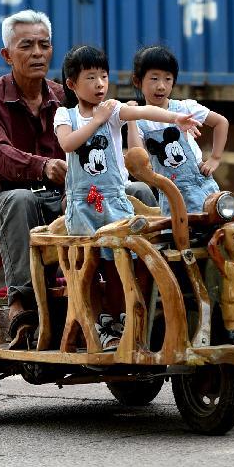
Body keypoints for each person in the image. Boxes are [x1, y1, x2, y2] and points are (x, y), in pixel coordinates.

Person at [54, 45, 201, 350]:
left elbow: (144, 110)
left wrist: (175, 118)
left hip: (114, 202)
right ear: (71, 84)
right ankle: (98, 322)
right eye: (91, 77)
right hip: (83, 205)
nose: (99, 84)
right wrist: (97, 120)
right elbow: (68, 144)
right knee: (87, 267)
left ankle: (121, 319)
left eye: (103, 76)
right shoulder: (65, 114)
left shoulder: (114, 109)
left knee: (118, 263)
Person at [0, 9, 67, 337]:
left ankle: (112, 298)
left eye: (45, 44)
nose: (38, 52)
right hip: (0, 199)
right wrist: (42, 166)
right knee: (21, 200)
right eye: (26, 46)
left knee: (120, 197)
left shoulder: (63, 96)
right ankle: (21, 304)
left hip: (56, 198)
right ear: (7, 55)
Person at [126, 45, 230, 215]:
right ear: (137, 81)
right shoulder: (139, 121)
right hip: (170, 195)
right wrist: (131, 118)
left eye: (168, 79)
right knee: (178, 238)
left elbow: (221, 122)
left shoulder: (184, 108)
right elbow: (137, 157)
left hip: (202, 187)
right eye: (154, 79)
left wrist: (215, 158)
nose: (161, 86)